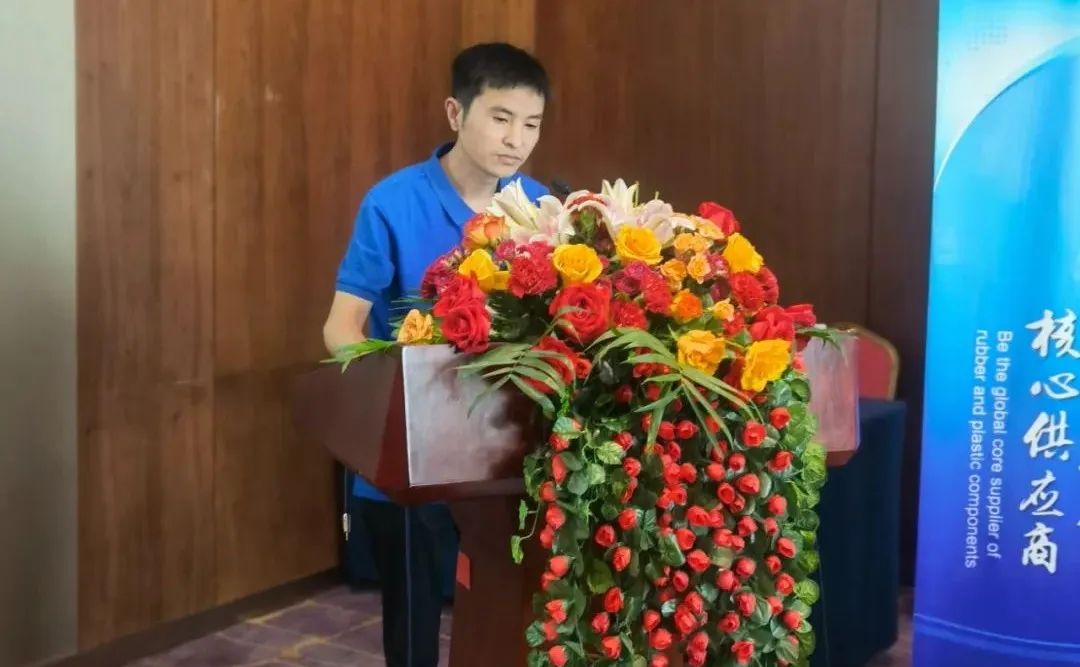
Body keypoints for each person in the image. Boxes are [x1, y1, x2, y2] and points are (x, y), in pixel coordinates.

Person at [322, 42, 550, 667]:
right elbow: (341, 326)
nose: (516, 140)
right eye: (500, 118)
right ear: (456, 113)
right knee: (415, 630)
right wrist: (395, 387)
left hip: (507, 455)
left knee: (508, 621)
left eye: (531, 124)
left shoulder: (540, 208)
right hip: (413, 455)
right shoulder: (392, 202)